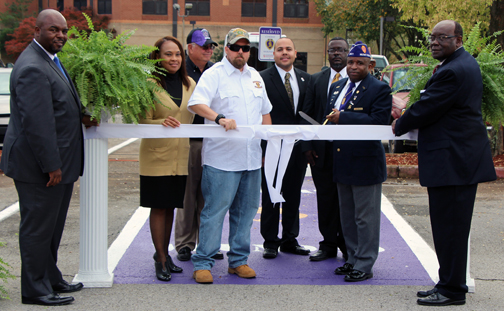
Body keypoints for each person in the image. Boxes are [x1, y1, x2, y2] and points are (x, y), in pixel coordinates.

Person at [393, 20, 496, 306]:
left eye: (442, 38)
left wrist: (402, 122)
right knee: (447, 227)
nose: (434, 42)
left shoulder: (454, 70)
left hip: (455, 163)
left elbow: (428, 106)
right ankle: (447, 282)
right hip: (455, 161)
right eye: (432, 38)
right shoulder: (458, 64)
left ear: (459, 40)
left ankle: (452, 290)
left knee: (450, 228)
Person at [0, 9, 97, 306]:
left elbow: (57, 104)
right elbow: (37, 124)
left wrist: (81, 115)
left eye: (64, 30)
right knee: (37, 229)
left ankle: (51, 277)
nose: (61, 35)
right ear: (38, 30)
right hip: (39, 167)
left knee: (52, 227)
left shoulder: (49, 60)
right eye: (54, 30)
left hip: (58, 164)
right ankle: (34, 289)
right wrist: (51, 166)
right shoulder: (31, 66)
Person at [187, 28, 272, 284]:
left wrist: (267, 147)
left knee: (246, 212)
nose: (241, 52)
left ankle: (238, 261)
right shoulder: (214, 75)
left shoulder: (256, 76)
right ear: (226, 48)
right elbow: (196, 103)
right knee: (214, 212)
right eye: (236, 47)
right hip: (221, 159)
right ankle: (203, 262)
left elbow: (265, 113)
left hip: (251, 158)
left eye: (246, 48)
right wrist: (219, 117)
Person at [326, 41, 391, 282]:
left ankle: (365, 263)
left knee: (366, 217)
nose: (353, 66)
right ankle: (352, 258)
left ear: (370, 65)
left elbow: (378, 121)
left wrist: (344, 117)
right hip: (342, 159)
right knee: (348, 216)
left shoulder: (379, 89)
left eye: (359, 63)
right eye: (351, 62)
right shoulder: (340, 86)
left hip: (365, 163)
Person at [139, 36, 196, 282]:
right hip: (156, 155)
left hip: (180, 156)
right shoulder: (148, 84)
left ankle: (165, 255)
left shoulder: (189, 83)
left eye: (177, 54)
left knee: (171, 205)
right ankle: (160, 257)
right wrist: (158, 122)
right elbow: (141, 120)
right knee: (158, 207)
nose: (173, 59)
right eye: (167, 54)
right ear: (157, 56)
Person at [174, 28, 224, 262]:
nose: (208, 49)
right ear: (189, 48)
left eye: (211, 46)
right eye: (203, 45)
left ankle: (208, 244)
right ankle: (184, 243)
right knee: (187, 195)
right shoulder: (179, 69)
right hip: (189, 140)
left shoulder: (217, 70)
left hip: (213, 141)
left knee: (210, 195)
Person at [259, 37, 311, 259]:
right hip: (272, 147)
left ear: (295, 53)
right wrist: (261, 149)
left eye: (288, 49)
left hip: (297, 149)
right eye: (279, 49)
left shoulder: (306, 79)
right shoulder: (261, 79)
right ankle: (270, 242)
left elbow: (307, 115)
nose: (284, 53)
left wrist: (307, 147)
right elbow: (259, 115)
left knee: (293, 194)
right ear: (274, 54)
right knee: (271, 193)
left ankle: (290, 239)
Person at [301, 37, 348, 262]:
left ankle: (348, 246)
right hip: (321, 153)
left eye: (341, 50)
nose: (336, 54)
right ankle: (328, 244)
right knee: (326, 200)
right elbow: (306, 114)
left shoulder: (358, 79)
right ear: (327, 53)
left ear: (348, 53)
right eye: (333, 50)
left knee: (348, 201)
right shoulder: (316, 80)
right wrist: (307, 146)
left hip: (348, 152)